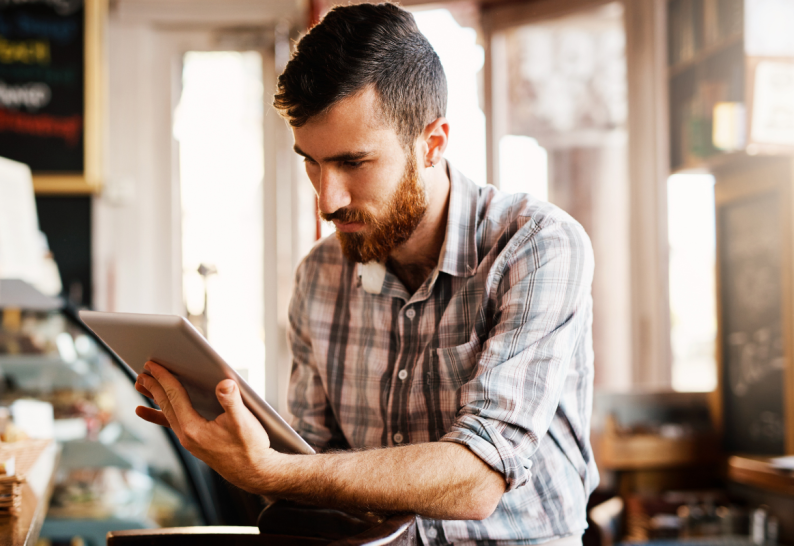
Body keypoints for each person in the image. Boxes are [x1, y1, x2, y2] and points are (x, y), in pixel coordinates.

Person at [134, 3, 597, 544]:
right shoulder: (320, 275)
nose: (326, 200)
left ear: (432, 144)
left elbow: (478, 479)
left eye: (353, 163)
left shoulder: (535, 246)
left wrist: (269, 470)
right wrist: (236, 444)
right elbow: (310, 464)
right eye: (311, 160)